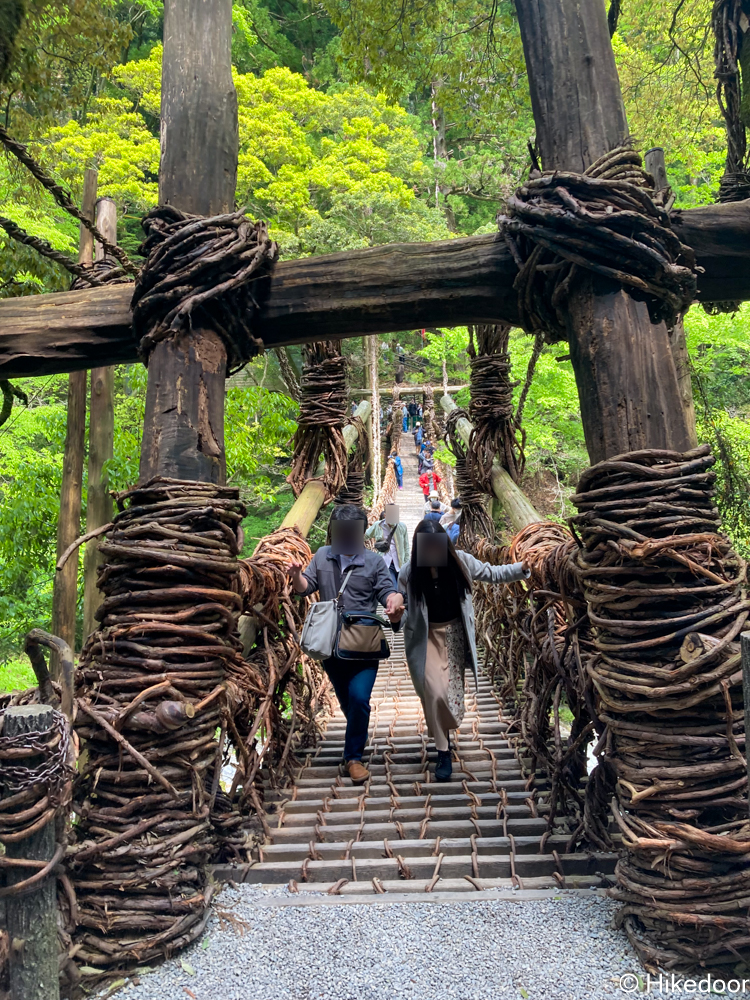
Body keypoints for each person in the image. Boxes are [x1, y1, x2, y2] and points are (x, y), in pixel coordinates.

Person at [398, 521, 529, 781]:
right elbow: (401, 613)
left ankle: (444, 733)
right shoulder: (409, 573)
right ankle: (442, 751)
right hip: (426, 638)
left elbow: (492, 573)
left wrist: (523, 568)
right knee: (434, 692)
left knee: (451, 693)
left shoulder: (461, 563)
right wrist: (394, 616)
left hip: (456, 634)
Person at [290, 505, 405, 784]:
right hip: (329, 644)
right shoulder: (321, 556)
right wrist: (295, 575)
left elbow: (388, 592)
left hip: (363, 643)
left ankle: (353, 758)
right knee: (346, 699)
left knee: (359, 698)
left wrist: (395, 603)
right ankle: (357, 730)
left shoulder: (375, 562)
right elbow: (306, 587)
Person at [366, 504, 409, 590]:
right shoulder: (378, 526)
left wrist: (406, 564)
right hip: (385, 563)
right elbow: (365, 535)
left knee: (402, 590)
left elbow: (406, 546)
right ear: (385, 514)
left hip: (400, 564)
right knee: (394, 588)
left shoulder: (402, 526)